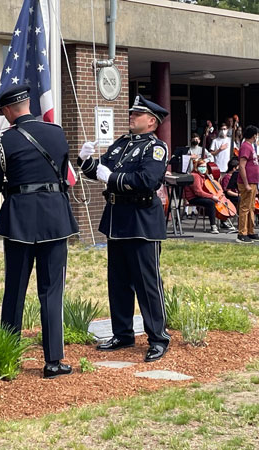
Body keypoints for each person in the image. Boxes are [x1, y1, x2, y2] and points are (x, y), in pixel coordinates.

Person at [0, 85, 79, 379]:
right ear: (28, 104)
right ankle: (54, 361)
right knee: (52, 291)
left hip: (21, 219)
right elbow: (63, 174)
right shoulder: (56, 132)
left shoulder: (4, 140)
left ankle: (8, 355)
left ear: (6, 111)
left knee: (15, 289)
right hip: (55, 217)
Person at [79, 94, 170, 363]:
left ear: (151, 121)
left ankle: (157, 337)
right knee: (118, 281)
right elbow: (101, 170)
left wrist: (113, 178)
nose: (131, 116)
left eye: (137, 114)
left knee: (147, 282)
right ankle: (122, 333)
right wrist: (86, 162)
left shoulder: (156, 148)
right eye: (131, 113)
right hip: (117, 218)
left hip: (141, 220)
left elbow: (148, 179)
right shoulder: (122, 143)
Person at [236, 125, 259, 243]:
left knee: (251, 207)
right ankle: (242, 232)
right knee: (245, 207)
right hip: (247, 182)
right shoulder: (246, 147)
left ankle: (251, 231)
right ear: (254, 135)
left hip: (253, 181)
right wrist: (246, 184)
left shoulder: (251, 147)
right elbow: (242, 166)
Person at [184, 160, 220, 234]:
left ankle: (221, 222)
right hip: (193, 198)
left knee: (213, 201)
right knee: (211, 203)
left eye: (204, 166)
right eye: (201, 166)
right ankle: (213, 226)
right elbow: (198, 192)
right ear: (197, 167)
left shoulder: (202, 176)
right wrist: (212, 196)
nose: (203, 168)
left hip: (198, 196)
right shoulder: (195, 176)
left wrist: (211, 180)